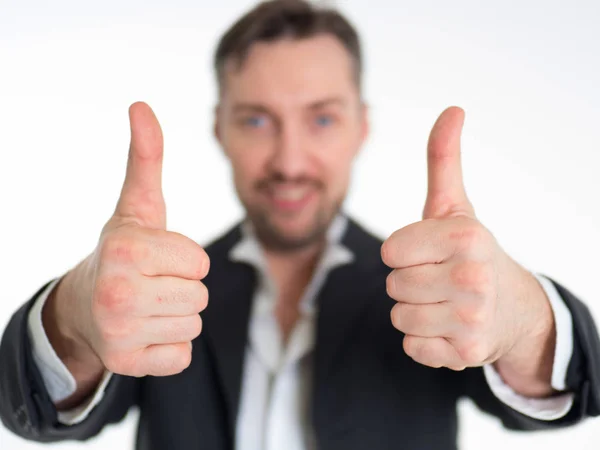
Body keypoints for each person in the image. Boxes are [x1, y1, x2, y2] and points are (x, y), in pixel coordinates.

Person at [1, 1, 599, 449]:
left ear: (362, 127)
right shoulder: (159, 292)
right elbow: (28, 407)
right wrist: (76, 319)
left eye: (321, 120)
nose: (289, 162)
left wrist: (524, 320)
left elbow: (575, 394)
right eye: (257, 120)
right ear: (219, 129)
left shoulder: (437, 287)